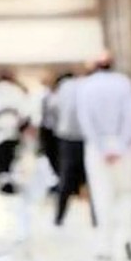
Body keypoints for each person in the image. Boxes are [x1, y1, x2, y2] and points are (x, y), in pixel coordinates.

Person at [76, 52, 131, 261]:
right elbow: (130, 118)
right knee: (126, 193)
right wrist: (120, 145)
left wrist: (102, 148)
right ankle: (125, 238)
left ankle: (105, 245)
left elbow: (86, 121)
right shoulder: (124, 83)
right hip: (124, 148)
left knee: (102, 195)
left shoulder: (86, 86)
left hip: (97, 149)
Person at [51, 71, 89, 226]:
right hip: (85, 138)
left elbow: (54, 110)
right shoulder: (86, 86)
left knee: (65, 179)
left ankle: (59, 217)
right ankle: (96, 218)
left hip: (66, 139)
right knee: (91, 179)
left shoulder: (63, 89)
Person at [0, 70, 29, 194]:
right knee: (11, 159)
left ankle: (2, 182)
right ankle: (11, 182)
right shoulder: (17, 92)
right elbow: (25, 114)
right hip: (12, 132)